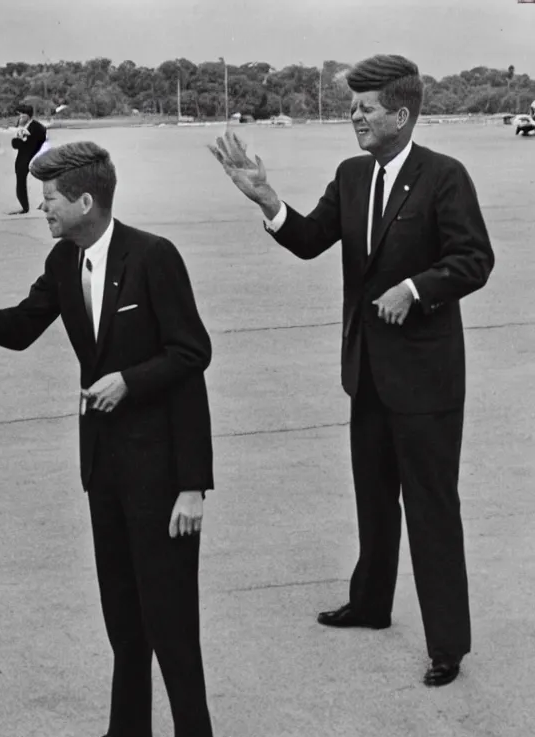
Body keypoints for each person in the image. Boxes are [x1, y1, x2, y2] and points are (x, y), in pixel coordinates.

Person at [210, 54, 494, 688]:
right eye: (354, 106)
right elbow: (311, 239)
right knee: (373, 498)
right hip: (366, 370)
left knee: (431, 505)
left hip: (426, 380)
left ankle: (447, 643)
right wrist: (267, 199)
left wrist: (417, 289)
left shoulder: (445, 177)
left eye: (366, 107)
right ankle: (371, 604)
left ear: (401, 113)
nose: (355, 116)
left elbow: (475, 260)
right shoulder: (352, 174)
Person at [0, 141, 222, 737]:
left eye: (48, 197)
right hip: (104, 469)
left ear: (84, 201)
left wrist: (191, 483)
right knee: (123, 612)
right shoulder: (63, 259)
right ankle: (130, 732)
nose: (41, 207)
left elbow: (191, 354)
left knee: (172, 627)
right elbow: (27, 326)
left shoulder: (154, 256)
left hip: (164, 476)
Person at [9, 103, 47, 214]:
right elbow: (15, 144)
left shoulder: (38, 128)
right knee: (21, 183)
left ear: (28, 116)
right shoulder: (24, 127)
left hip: (32, 158)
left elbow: (30, 145)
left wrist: (22, 140)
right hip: (24, 159)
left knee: (27, 182)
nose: (20, 118)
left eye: (22, 116)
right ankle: (25, 206)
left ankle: (26, 208)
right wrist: (20, 139)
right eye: (19, 116)